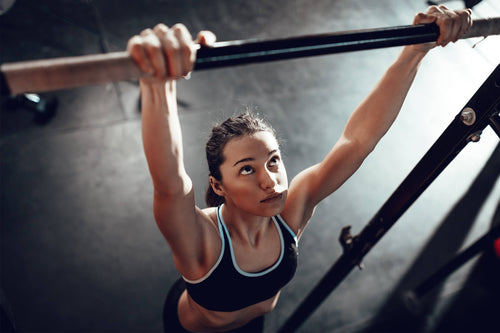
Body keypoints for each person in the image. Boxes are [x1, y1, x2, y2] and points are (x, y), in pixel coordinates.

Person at [127, 5, 472, 333]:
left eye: (273, 160)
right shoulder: (202, 240)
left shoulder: (293, 207)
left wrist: (414, 52)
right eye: (247, 170)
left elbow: (357, 140)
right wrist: (159, 82)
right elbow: (170, 186)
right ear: (218, 186)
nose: (269, 181)